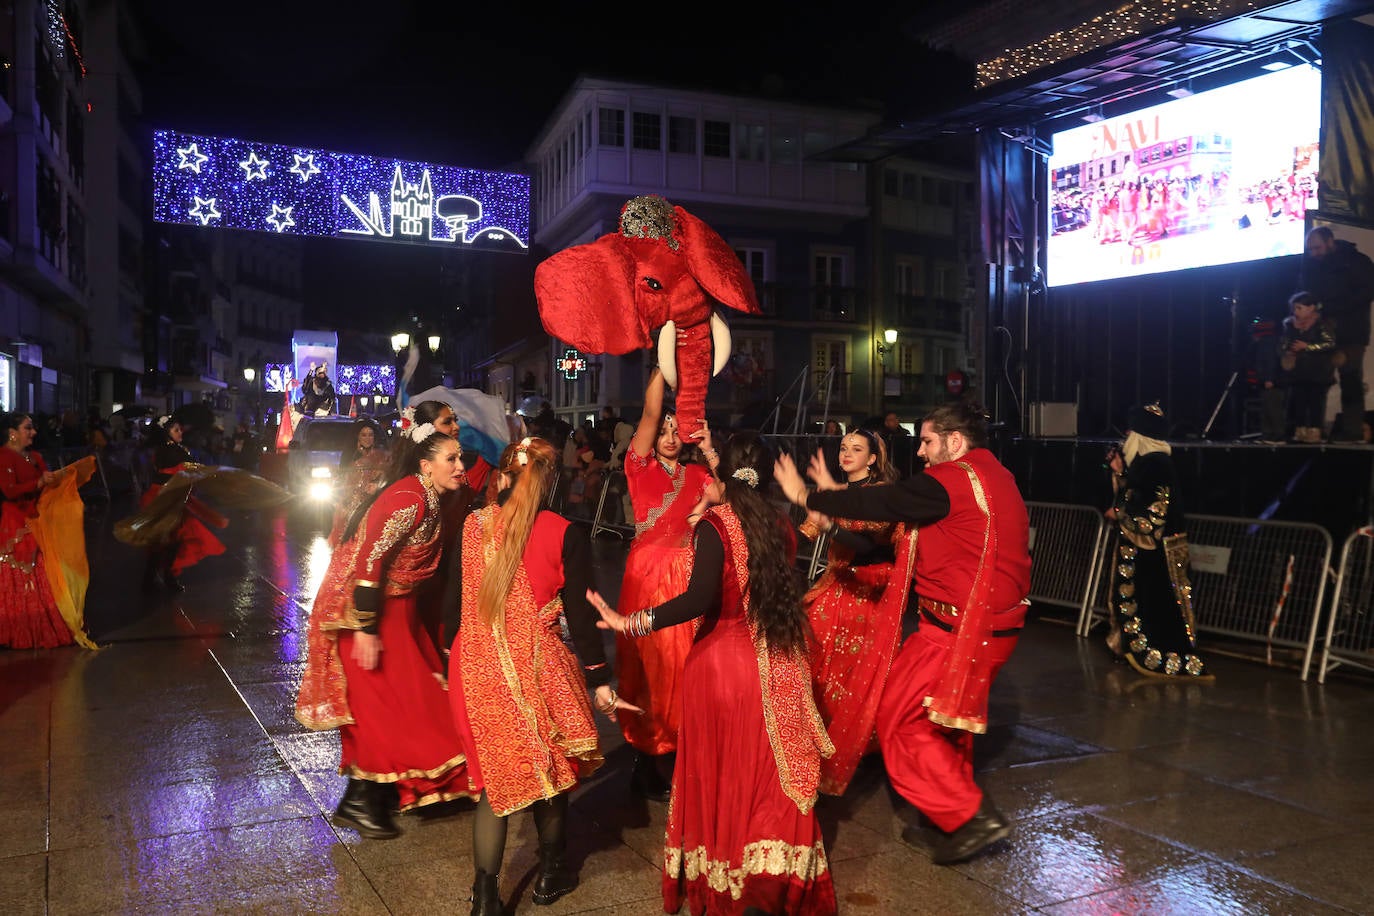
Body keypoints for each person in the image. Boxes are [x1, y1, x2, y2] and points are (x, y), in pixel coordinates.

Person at [774, 400, 1032, 866]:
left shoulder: (954, 479)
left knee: (898, 719)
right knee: (942, 724)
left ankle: (970, 816)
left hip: (958, 631)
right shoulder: (994, 476)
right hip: (971, 625)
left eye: (929, 442)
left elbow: (887, 502)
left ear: (956, 442)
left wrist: (808, 496)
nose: (922, 454)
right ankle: (947, 820)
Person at [589, 432, 837, 915]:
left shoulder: (716, 525)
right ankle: (766, 872)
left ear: (722, 477)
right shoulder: (776, 523)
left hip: (722, 667)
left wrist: (632, 621)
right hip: (777, 663)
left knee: (722, 774)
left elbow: (697, 600)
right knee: (763, 774)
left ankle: (727, 870)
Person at [449, 437, 637, 915]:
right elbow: (580, 612)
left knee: (497, 780)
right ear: (551, 480)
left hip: (478, 664)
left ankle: (486, 896)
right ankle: (552, 871)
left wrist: (446, 656)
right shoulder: (562, 531)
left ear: (504, 476)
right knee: (551, 774)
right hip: (537, 666)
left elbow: (455, 602)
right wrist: (598, 677)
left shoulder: (473, 526)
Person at [295, 421, 477, 840]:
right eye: (451, 458)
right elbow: (367, 565)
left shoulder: (430, 496)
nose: (460, 465)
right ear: (425, 464)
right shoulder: (407, 500)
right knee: (388, 708)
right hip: (371, 615)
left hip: (399, 612)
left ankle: (376, 795)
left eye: (460, 457)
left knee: (398, 704)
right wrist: (366, 629)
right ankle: (359, 801)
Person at [615, 367, 719, 802]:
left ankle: (678, 751)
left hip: (687, 576)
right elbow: (650, 412)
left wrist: (712, 454)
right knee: (648, 664)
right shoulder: (638, 467)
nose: (671, 436)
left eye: (679, 430)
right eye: (665, 430)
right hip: (646, 576)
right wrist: (664, 364)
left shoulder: (699, 476)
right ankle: (643, 756)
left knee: (684, 667)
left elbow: (729, 505)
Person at [797, 428, 900, 796]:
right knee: (814, 662)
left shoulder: (879, 495)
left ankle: (858, 745)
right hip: (833, 587)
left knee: (855, 673)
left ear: (872, 458)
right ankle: (816, 738)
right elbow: (802, 534)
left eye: (856, 449)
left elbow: (869, 546)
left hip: (866, 594)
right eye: (843, 447)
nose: (847, 454)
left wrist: (830, 524)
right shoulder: (835, 493)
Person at [1104, 403, 1211, 680]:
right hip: (1150, 551)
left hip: (1156, 554)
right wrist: (1120, 474)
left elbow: (1153, 513)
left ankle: (1160, 653)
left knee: (1158, 604)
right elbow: (1136, 494)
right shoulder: (1147, 463)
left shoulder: (1155, 464)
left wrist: (1119, 513)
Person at [0, 412, 80, 648]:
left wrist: (58, 481)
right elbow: (9, 490)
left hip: (40, 522)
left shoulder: (34, 456)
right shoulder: (4, 456)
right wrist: (38, 483)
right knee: (21, 575)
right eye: (28, 428)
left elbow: (46, 484)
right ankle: (15, 629)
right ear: (12, 433)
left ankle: (46, 626)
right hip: (16, 523)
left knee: (45, 573)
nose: (33, 432)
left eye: (32, 428)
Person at [1301, 226, 1374, 442]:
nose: (1313, 253)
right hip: (1324, 331)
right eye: (1310, 249)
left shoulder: (1357, 261)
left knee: (1350, 380)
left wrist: (1331, 308)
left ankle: (1352, 432)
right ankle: (1315, 429)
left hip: (1351, 331)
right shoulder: (1313, 267)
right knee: (1318, 380)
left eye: (1317, 248)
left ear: (1330, 242)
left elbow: (1367, 292)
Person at [138, 416, 226, 592]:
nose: (180, 433)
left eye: (180, 429)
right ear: (166, 432)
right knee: (162, 540)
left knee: (174, 539)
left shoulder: (176, 449)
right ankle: (153, 579)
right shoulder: (167, 451)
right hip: (163, 498)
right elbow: (179, 469)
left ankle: (165, 577)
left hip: (175, 498)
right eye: (175, 430)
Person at [1278, 291, 1337, 444]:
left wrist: (1308, 346)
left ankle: (1315, 431)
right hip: (1298, 371)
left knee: (1315, 402)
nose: (1295, 312)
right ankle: (1300, 431)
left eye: (1299, 308)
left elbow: (1330, 343)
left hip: (1317, 370)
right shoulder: (1290, 325)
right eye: (1294, 308)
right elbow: (1284, 343)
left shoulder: (1321, 325)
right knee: (1299, 402)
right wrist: (1288, 349)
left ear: (1311, 308)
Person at [326, 418, 389, 547]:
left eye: (370, 435)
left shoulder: (381, 457)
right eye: (364, 435)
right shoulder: (350, 456)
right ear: (358, 437)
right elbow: (342, 480)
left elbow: (388, 478)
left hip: (373, 503)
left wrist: (378, 485)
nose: (367, 438)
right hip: (352, 504)